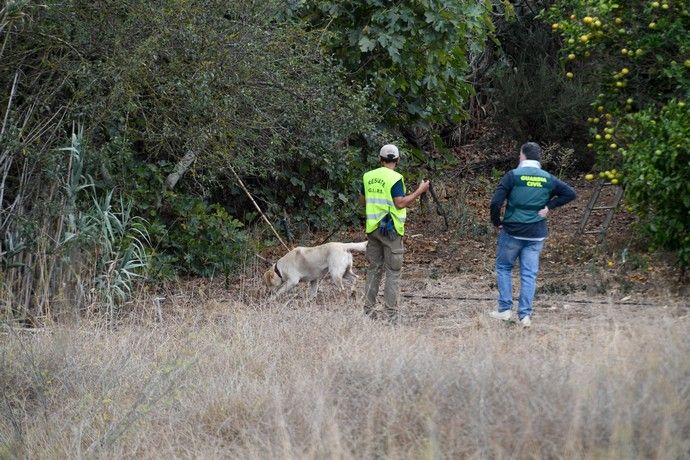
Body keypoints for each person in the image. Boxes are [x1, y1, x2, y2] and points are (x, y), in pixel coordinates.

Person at [489, 142, 576, 327]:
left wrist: (497, 222)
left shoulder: (512, 176)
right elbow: (570, 193)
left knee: (504, 268)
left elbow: (495, 203)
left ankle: (505, 309)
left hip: (512, 231)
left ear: (522, 156)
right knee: (529, 274)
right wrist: (549, 207)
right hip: (536, 233)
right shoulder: (548, 178)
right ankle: (525, 316)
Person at [359, 144, 429, 322]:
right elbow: (400, 203)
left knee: (373, 270)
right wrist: (420, 191)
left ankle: (368, 313)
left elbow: (362, 201)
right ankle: (391, 317)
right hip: (391, 231)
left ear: (380, 159)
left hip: (373, 228)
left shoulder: (368, 176)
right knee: (393, 272)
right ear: (397, 160)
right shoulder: (396, 178)